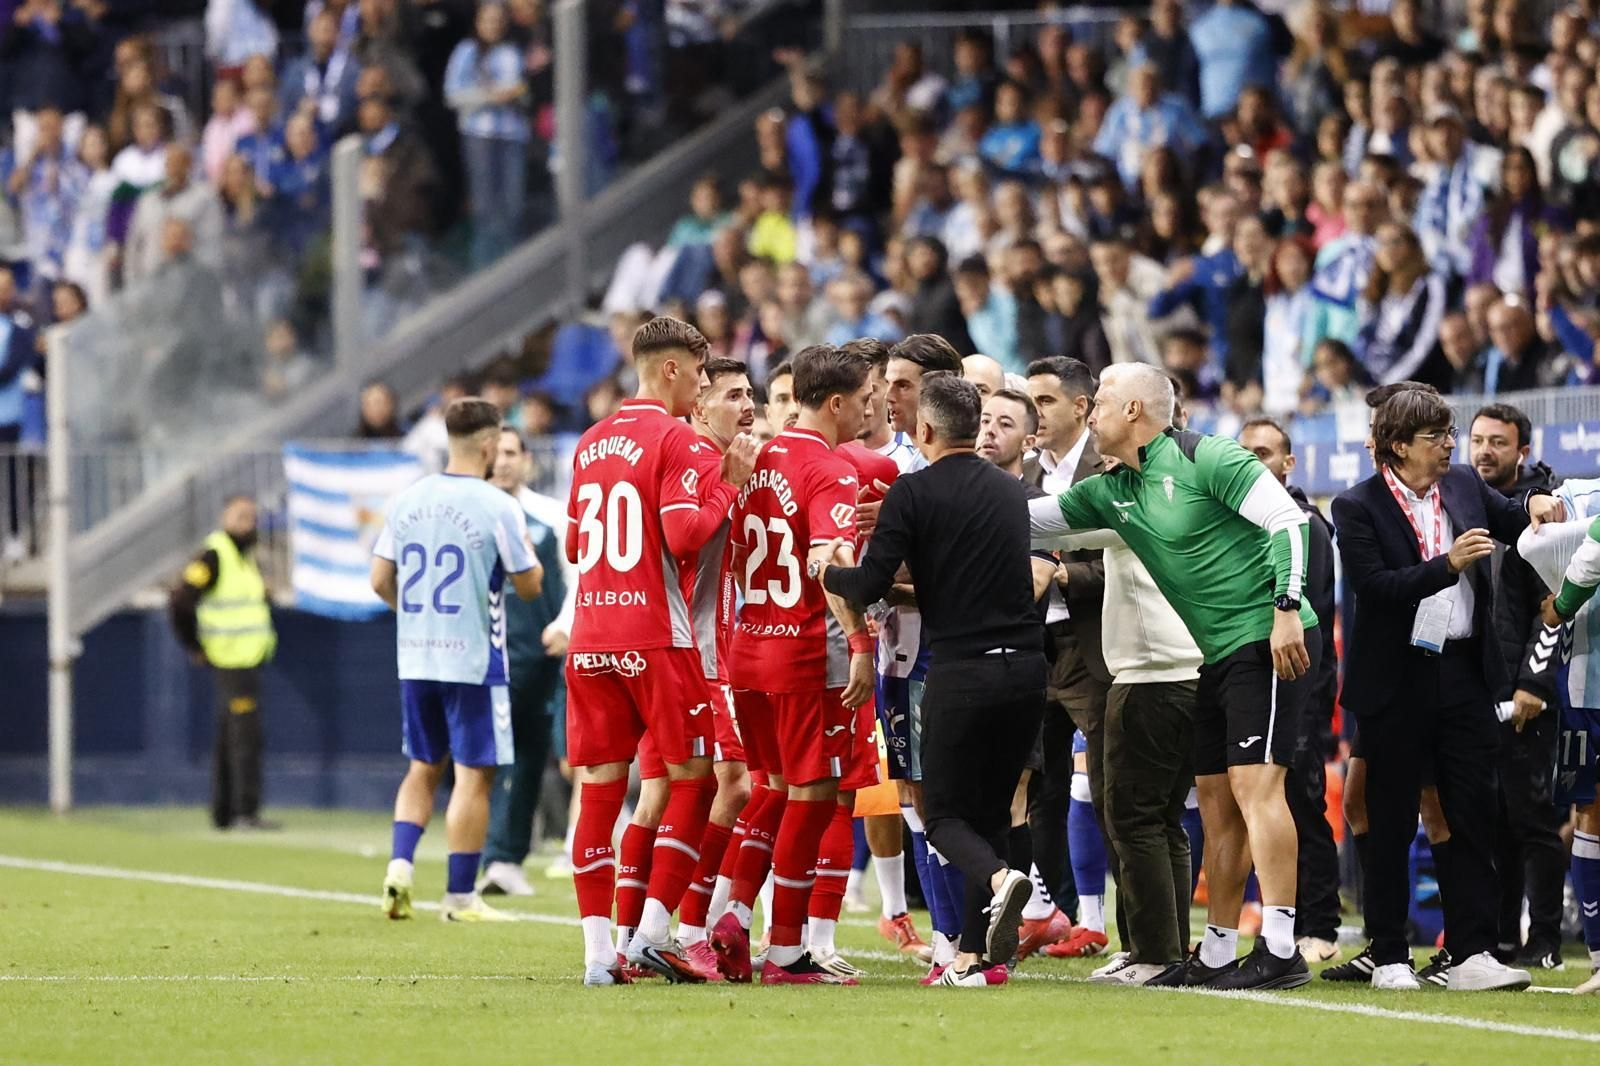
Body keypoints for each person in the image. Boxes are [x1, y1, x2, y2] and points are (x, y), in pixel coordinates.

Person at [1029, 362, 1320, 991]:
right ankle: (1216, 950)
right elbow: (1029, 519)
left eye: (1100, 400)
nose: (1092, 410)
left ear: (1134, 410)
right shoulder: (1111, 491)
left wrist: (1287, 608)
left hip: (1269, 637)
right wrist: (927, 507)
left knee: (1255, 790)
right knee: (1216, 801)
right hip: (1214, 652)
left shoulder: (1207, 457)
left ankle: (1279, 945)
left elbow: (1289, 522)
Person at [820, 373, 1046, 989]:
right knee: (993, 814)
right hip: (1026, 670)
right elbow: (961, 576)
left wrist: (830, 574)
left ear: (923, 430)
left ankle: (1002, 882)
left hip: (963, 670)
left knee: (943, 815)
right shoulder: (1010, 492)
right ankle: (975, 960)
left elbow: (865, 585)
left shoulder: (912, 492)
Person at [1332, 386, 1561, 992]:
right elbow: (1376, 588)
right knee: (1389, 821)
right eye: (1436, 438)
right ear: (1399, 446)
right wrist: (1449, 565)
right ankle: (1387, 955)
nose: (1451, 446)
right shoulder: (1357, 506)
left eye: (1448, 435)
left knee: (1470, 813)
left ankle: (1472, 951)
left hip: (1463, 671)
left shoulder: (1461, 483)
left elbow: (1511, 513)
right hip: (1396, 679)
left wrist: (1537, 503)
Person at [562, 316, 757, 986]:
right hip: (655, 634)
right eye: (699, 376)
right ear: (670, 370)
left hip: (590, 635)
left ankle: (597, 956)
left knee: (600, 791)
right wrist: (727, 484)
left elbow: (572, 547)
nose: (701, 390)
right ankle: (651, 932)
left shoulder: (589, 443)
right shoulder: (673, 437)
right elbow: (682, 535)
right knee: (692, 778)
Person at [711, 343, 876, 987]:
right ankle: (784, 952)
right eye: (864, 400)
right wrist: (859, 642)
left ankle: (727, 915)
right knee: (813, 798)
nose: (869, 411)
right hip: (804, 657)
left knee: (772, 789)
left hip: (746, 653)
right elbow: (825, 563)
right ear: (834, 402)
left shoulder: (751, 457)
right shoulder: (830, 471)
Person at [371, 399, 543, 924]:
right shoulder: (497, 506)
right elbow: (530, 586)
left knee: (422, 767)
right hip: (472, 662)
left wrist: (419, 618)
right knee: (474, 775)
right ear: (490, 446)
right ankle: (461, 896)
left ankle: (400, 866)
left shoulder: (408, 500)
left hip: (416, 657)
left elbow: (379, 580)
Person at [666, 357, 758, 980]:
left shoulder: (717, 459)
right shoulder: (702, 462)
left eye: (751, 394)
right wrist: (732, 482)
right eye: (732, 395)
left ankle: (640, 932)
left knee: (672, 795)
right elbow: (686, 540)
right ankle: (693, 927)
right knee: (738, 786)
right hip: (700, 653)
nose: (746, 405)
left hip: (710, 647)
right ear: (700, 407)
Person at [1238, 418, 1343, 963]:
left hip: (1301, 681)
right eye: (1245, 453)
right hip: (1255, 680)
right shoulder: (1238, 518)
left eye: (1264, 452)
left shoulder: (1305, 525)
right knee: (1265, 799)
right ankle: (1281, 914)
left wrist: (1314, 698)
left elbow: (1313, 615)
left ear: (1288, 463)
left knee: (1301, 798)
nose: (1254, 462)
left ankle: (1320, 921)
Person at [1467, 403, 1567, 970]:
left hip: (1528, 690)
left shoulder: (1545, 514)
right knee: (1493, 819)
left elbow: (1552, 610)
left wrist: (1533, 682)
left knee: (1532, 818)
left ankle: (1546, 940)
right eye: (1478, 440)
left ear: (1522, 451)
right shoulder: (1465, 504)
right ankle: (1500, 937)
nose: (1485, 451)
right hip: (1480, 687)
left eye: (1498, 443)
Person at [1022, 355, 1109, 954]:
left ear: (1081, 406)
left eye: (1046, 402)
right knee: (1039, 790)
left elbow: (1132, 560)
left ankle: (1134, 929)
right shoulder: (1025, 473)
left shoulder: (1108, 472)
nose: (1035, 414)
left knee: (1109, 788)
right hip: (1034, 648)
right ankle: (1051, 912)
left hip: (1094, 646)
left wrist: (1060, 576)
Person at [478, 427, 568, 899]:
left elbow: (574, 575)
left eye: (513, 453)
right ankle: (492, 853)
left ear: (527, 460)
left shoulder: (550, 516)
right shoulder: (469, 513)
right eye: (497, 453)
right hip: (480, 656)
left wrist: (566, 624)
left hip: (537, 657)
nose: (504, 462)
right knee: (479, 760)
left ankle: (506, 857)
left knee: (534, 757)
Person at [168, 495, 279, 831]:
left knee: (229, 736)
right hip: (231, 660)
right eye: (241, 516)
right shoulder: (215, 554)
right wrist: (194, 645)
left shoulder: (243, 557)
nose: (248, 524)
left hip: (247, 658)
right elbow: (180, 600)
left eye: (252, 517)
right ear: (224, 517)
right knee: (245, 736)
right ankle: (245, 811)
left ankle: (225, 812)